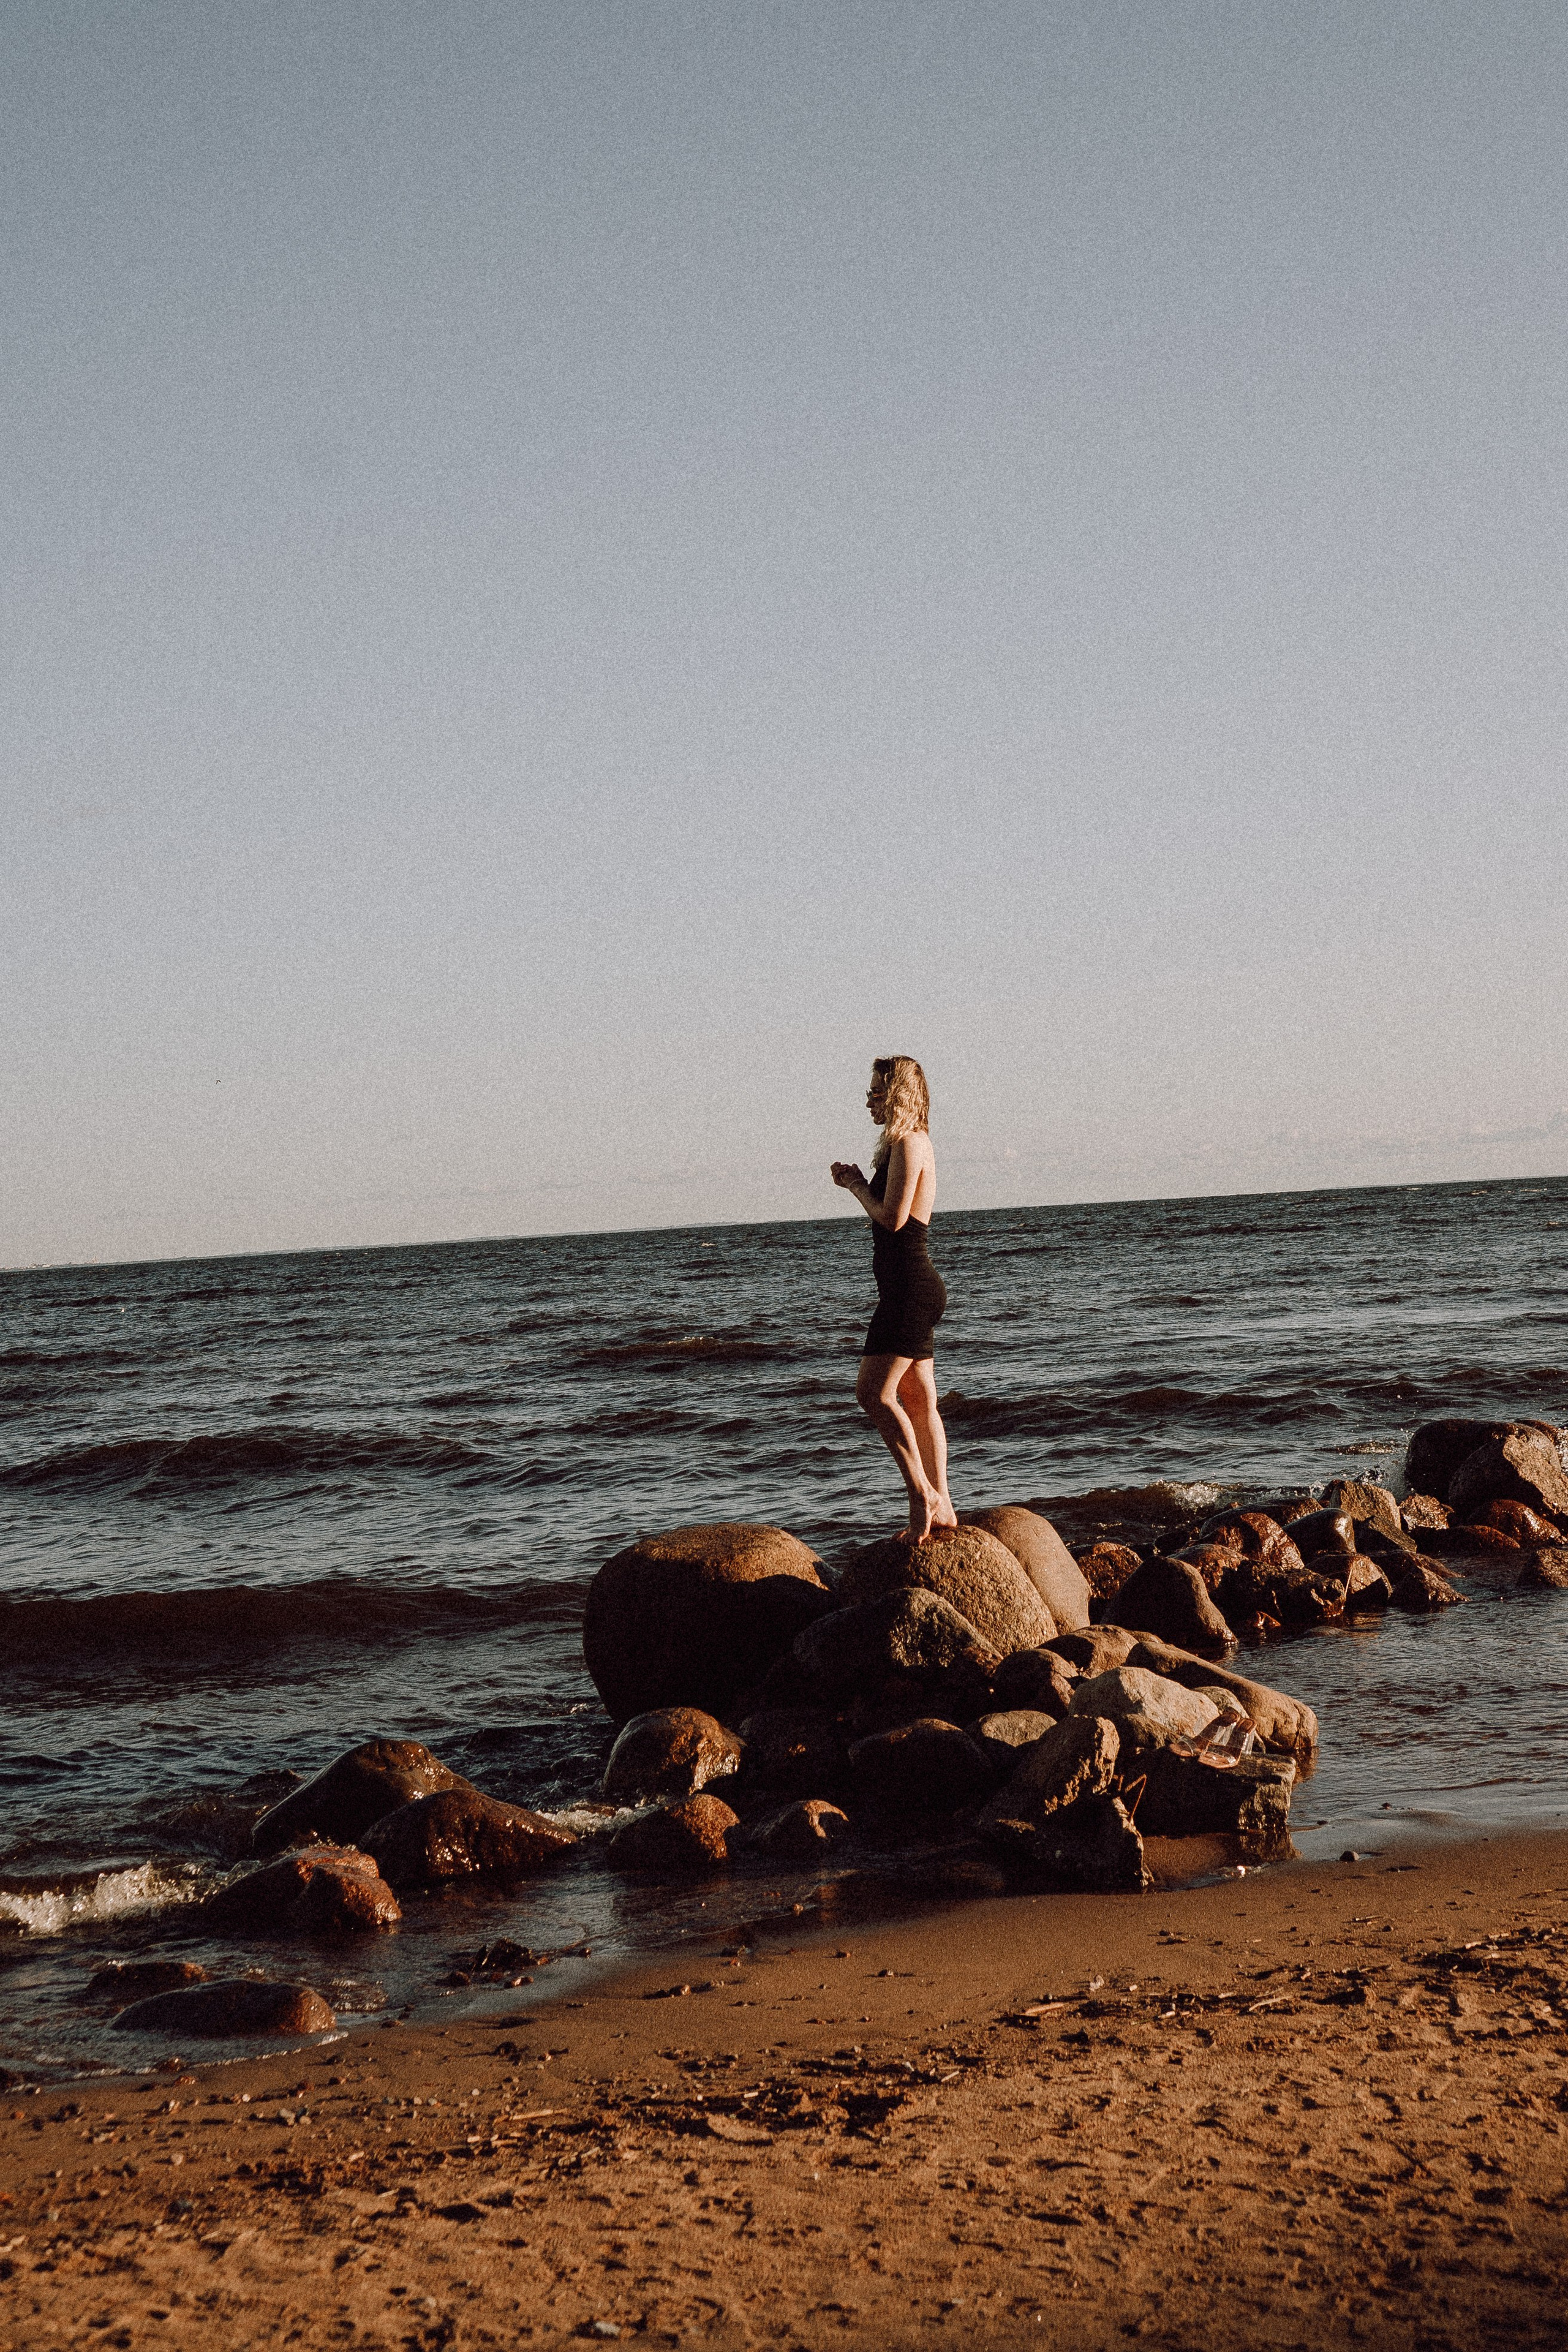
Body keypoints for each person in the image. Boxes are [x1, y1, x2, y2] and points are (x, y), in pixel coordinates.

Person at [831, 1055, 955, 1542]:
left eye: (877, 1093)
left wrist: (856, 1185)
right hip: (913, 1288)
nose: (868, 1101)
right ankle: (943, 1502)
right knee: (920, 1400)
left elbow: (894, 1219)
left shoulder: (908, 1143)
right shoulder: (913, 1143)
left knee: (873, 1394)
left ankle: (921, 1495)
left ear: (898, 1095)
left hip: (908, 1291)